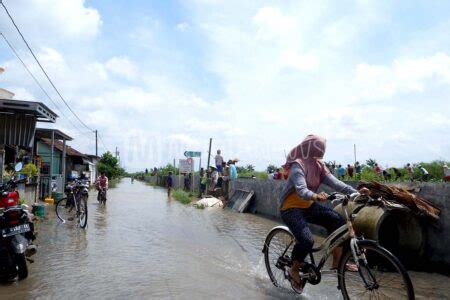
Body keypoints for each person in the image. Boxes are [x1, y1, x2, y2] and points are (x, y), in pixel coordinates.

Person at [278, 135, 369, 292]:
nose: (322, 151)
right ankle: (294, 269)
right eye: (319, 148)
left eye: (322, 148)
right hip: (290, 208)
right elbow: (301, 189)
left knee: (339, 222)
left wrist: (357, 193)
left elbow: (336, 183)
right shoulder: (297, 166)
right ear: (310, 148)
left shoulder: (319, 166)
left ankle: (338, 262)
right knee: (307, 240)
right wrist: (315, 196)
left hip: (308, 205)